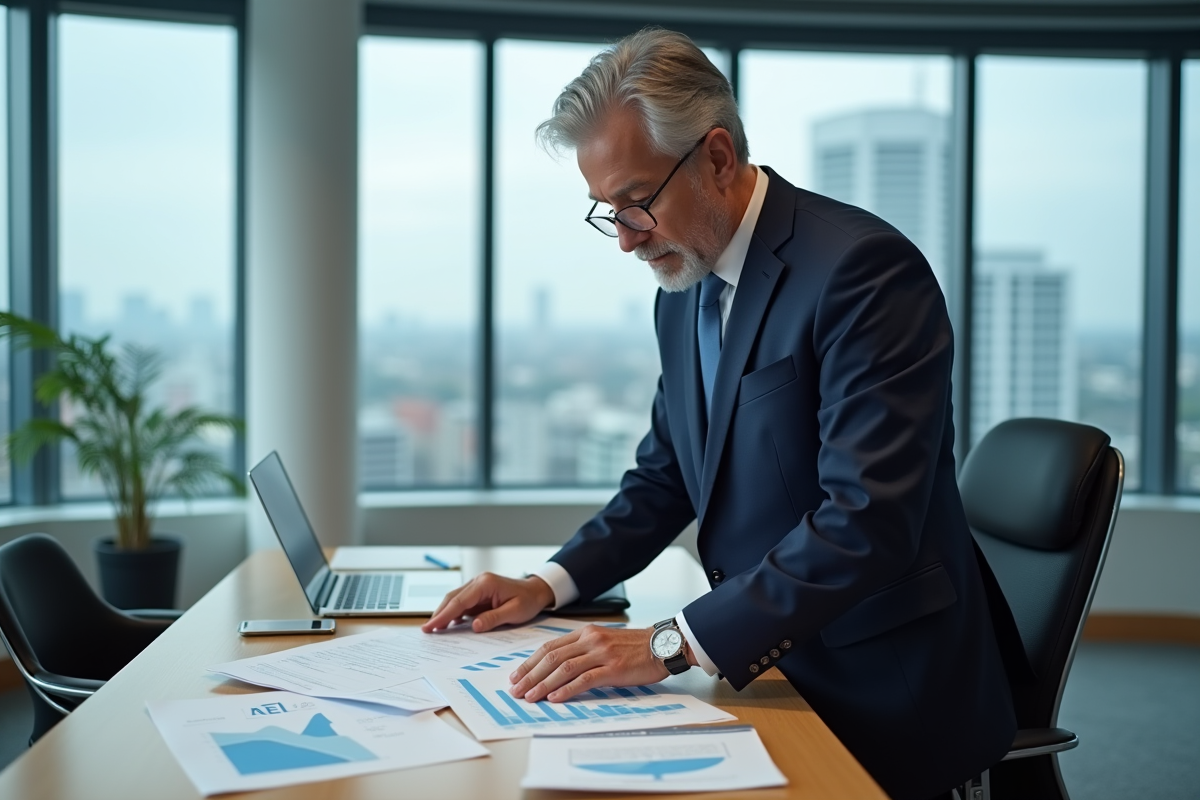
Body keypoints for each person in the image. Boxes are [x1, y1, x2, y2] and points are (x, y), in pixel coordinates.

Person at [423, 28, 1016, 800]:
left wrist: (672, 643)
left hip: (879, 690)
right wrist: (550, 583)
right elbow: (666, 474)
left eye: (637, 204)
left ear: (717, 158)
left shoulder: (862, 272)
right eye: (607, 212)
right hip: (761, 666)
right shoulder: (687, 283)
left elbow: (865, 521)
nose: (627, 241)